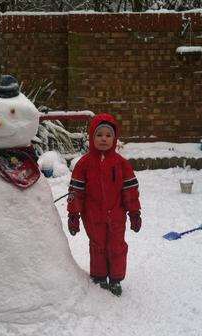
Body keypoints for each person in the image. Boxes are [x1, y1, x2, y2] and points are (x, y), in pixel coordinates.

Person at [67, 113, 141, 297]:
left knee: (116, 246)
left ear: (114, 139)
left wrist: (134, 213)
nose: (104, 139)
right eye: (99, 135)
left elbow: (130, 190)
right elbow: (76, 192)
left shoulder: (121, 164)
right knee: (98, 245)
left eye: (108, 135)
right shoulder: (84, 164)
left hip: (116, 214)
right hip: (92, 215)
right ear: (92, 137)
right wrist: (73, 215)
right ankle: (100, 277)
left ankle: (115, 279)